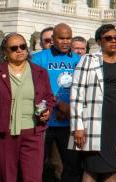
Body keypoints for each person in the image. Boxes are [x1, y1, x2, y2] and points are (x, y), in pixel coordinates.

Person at [69, 24, 116, 182]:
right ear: (99, 41)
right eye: (108, 38)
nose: (113, 41)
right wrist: (77, 127)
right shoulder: (88, 60)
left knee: (112, 168)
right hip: (94, 123)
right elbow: (76, 94)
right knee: (91, 168)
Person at [0, 33, 54, 182]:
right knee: (7, 177)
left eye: (23, 46)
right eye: (14, 48)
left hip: (33, 132)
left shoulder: (40, 72)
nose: (20, 50)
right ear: (5, 52)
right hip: (3, 134)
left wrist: (47, 111)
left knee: (33, 177)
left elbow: (48, 98)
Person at [31, 22, 82, 182]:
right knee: (39, 165)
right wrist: (58, 106)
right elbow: (35, 89)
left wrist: (69, 111)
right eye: (61, 38)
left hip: (70, 124)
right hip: (45, 123)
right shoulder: (39, 58)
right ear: (53, 39)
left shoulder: (79, 60)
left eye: (69, 38)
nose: (66, 41)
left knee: (71, 166)